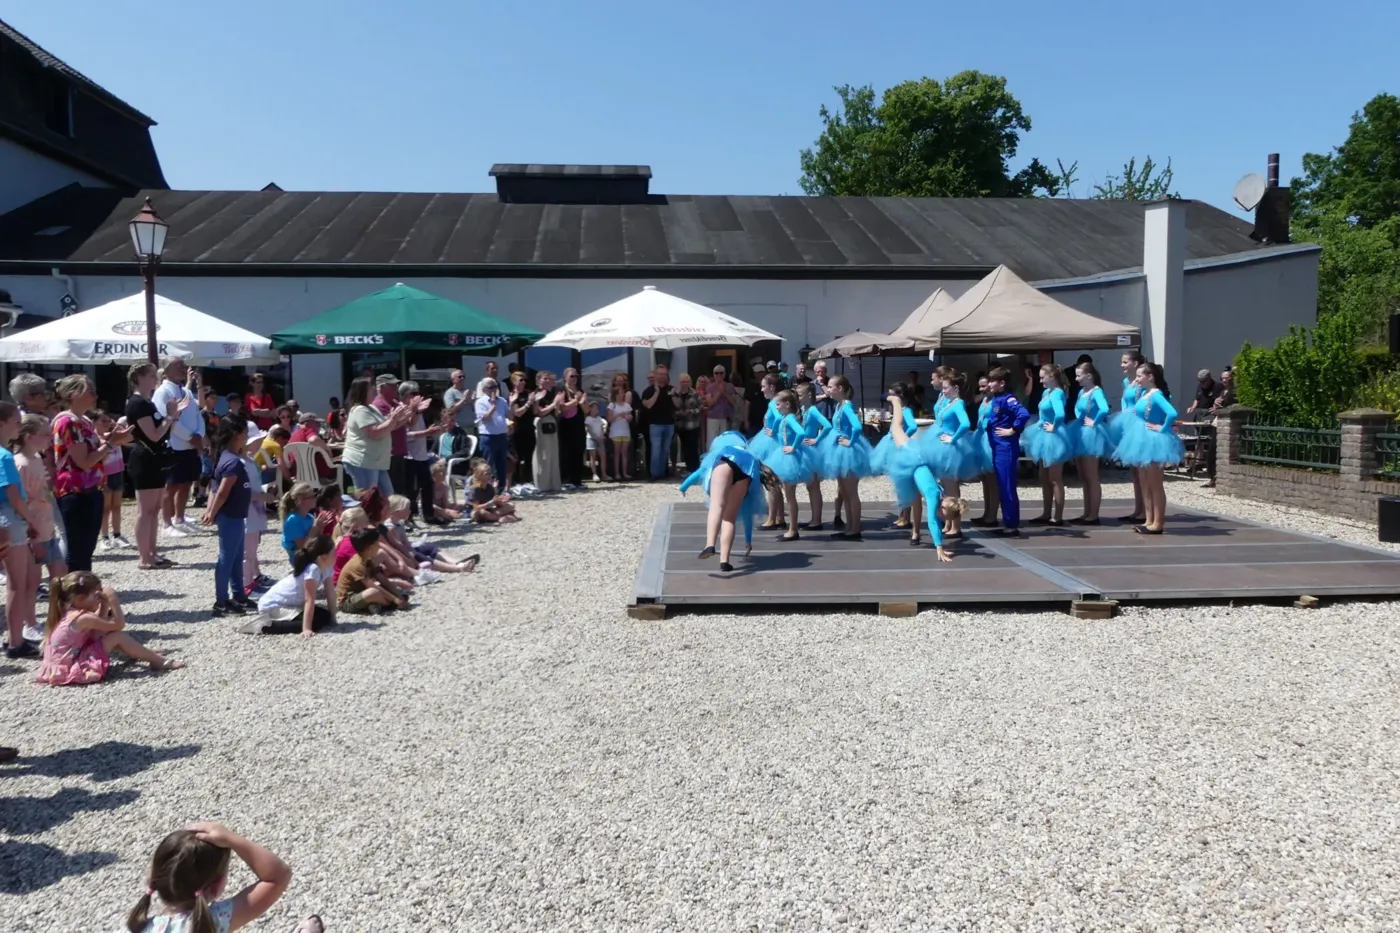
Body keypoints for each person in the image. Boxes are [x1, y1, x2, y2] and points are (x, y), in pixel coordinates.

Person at [125, 822, 305, 933]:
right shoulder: (216, 920)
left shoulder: (139, 927)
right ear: (217, 886)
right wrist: (231, 839)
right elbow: (278, 876)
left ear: (153, 878)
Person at [36, 571, 184, 682]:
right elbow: (119, 625)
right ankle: (158, 661)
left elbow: (96, 629)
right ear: (80, 598)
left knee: (106, 636)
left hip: (59, 666)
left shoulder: (71, 612)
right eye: (95, 596)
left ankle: (144, 653)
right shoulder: (83, 618)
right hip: (71, 668)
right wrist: (113, 599)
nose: (98, 598)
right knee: (118, 637)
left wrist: (104, 604)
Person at [53, 375, 128, 573]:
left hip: (91, 489)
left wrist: (115, 440)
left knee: (86, 549)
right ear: (74, 395)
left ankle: (84, 588)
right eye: (90, 391)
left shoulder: (84, 420)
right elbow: (84, 462)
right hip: (75, 491)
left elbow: (96, 453)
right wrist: (111, 443)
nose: (95, 395)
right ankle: (73, 588)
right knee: (77, 549)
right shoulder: (69, 422)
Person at [678, 431, 774, 572]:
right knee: (729, 518)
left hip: (726, 463)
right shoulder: (750, 455)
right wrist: (748, 539)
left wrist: (684, 486)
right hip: (746, 470)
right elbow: (748, 513)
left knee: (717, 506)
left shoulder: (721, 451)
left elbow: (699, 473)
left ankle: (710, 544)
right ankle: (724, 560)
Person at [885, 391, 956, 561]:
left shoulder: (942, 495)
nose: (941, 519)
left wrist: (940, 545)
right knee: (896, 427)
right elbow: (932, 521)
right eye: (944, 517)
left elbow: (935, 520)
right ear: (944, 509)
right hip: (911, 456)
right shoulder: (934, 496)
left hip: (919, 459)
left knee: (896, 429)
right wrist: (939, 547)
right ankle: (896, 401)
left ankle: (896, 404)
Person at [1114, 362, 1183, 534]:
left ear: (1150, 377)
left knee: (1155, 484)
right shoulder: (1146, 393)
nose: (1137, 379)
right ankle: (1149, 519)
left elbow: (1172, 413)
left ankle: (1158, 523)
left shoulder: (1156, 394)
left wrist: (1163, 427)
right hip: (1143, 437)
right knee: (1145, 482)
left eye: (1140, 376)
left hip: (1153, 440)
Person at [125, 362, 182, 564]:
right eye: (151, 375)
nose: (155, 379)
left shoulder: (147, 402)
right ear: (140, 378)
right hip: (144, 459)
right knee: (146, 510)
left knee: (155, 508)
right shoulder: (137, 403)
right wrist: (170, 416)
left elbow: (162, 432)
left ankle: (152, 552)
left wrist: (172, 417)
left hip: (155, 459)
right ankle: (144, 557)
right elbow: (154, 435)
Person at [1, 403, 45, 658]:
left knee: (15, 583)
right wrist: (31, 521)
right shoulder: (4, 457)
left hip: (5, 519)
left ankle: (14, 637)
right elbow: (13, 496)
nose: (19, 426)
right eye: (16, 422)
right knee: (17, 584)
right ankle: (15, 642)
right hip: (9, 518)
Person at [201, 417, 255, 616]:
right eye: (245, 434)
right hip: (230, 515)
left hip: (236, 515)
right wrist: (212, 512)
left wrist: (211, 510)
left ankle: (239, 595)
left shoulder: (227, 457)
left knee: (236, 558)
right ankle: (221, 601)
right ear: (236, 435)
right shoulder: (232, 462)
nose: (247, 438)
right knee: (227, 558)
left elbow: (215, 488)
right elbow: (222, 492)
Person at [152, 358, 205, 537]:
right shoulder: (162, 392)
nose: (183, 369)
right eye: (178, 366)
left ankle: (179, 518)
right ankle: (166, 523)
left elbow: (198, 415)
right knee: (172, 485)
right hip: (174, 445)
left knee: (186, 483)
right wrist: (190, 437)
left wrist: (199, 435)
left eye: (184, 366)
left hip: (190, 445)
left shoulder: (186, 391)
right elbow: (167, 420)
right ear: (166, 370)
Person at [341, 376, 418, 499]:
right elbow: (374, 433)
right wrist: (393, 419)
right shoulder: (360, 410)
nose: (374, 389)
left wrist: (409, 412)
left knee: (388, 497)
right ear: (363, 391)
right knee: (367, 499)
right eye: (370, 387)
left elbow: (391, 426)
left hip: (376, 462)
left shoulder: (371, 408)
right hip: (362, 462)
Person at [816, 375, 871, 540]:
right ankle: (849, 527)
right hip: (838, 449)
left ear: (839, 388)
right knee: (845, 492)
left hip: (848, 452)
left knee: (851, 492)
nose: (828, 390)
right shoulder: (839, 406)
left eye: (830, 387)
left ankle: (855, 529)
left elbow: (857, 427)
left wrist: (850, 442)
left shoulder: (846, 406)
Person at [252, 535, 338, 637]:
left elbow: (330, 593)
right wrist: (307, 629)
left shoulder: (326, 567)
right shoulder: (312, 569)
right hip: (273, 605)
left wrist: (333, 619)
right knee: (313, 624)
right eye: (333, 553)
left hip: (291, 604)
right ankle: (266, 626)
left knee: (325, 616)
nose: (336, 555)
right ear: (323, 557)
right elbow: (309, 599)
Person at [1022, 363, 1075, 527]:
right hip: (1042, 434)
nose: (1041, 380)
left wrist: (1054, 426)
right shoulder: (1047, 392)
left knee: (1054, 478)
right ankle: (1046, 513)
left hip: (1054, 437)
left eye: (1043, 377)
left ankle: (1057, 516)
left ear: (1052, 376)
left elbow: (1060, 414)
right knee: (1044, 477)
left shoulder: (1057, 393)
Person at [984, 366, 1032, 537]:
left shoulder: (1008, 399)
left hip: (1005, 448)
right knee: (1002, 485)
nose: (989, 384)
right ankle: (1007, 522)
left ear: (1002, 383)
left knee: (1007, 485)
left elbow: (1023, 414)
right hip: (998, 447)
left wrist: (1013, 430)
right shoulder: (997, 399)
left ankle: (1011, 525)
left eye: (992, 381)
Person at [764, 391, 812, 542]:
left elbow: (801, 433)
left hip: (789, 458)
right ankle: (791, 527)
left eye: (778, 404)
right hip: (783, 455)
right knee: (788, 494)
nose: (776, 407)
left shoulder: (790, 418)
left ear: (787, 404)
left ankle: (793, 529)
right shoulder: (785, 418)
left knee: (790, 496)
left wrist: (793, 447)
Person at [1070, 362, 1112, 525]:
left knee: (1091, 476)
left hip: (1091, 434)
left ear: (1089, 375)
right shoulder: (1082, 392)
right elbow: (1076, 408)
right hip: (1080, 430)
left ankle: (1093, 514)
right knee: (1083, 476)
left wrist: (1094, 422)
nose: (1076, 379)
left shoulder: (1097, 391)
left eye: (1079, 375)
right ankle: (1086, 512)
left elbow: (1104, 409)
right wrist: (1079, 417)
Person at [396, 380, 443, 525]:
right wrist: (426, 432)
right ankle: (408, 517)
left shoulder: (417, 410)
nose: (418, 396)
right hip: (409, 456)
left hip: (421, 454)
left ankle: (428, 515)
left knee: (427, 485)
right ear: (405, 395)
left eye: (418, 393)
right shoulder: (401, 409)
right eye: (413, 394)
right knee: (410, 490)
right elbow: (406, 435)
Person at [336, 527, 408, 613]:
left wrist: (398, 595)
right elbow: (371, 586)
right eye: (377, 543)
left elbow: (381, 578)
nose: (379, 545)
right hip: (347, 601)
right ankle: (391, 605)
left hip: (361, 592)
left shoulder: (367, 559)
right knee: (373, 592)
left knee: (385, 586)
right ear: (370, 548)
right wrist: (395, 599)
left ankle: (374, 605)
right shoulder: (357, 564)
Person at [240, 422, 275, 597]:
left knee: (252, 550)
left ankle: (251, 581)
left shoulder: (250, 461)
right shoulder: (242, 463)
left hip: (254, 511)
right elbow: (242, 491)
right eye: (257, 440)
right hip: (247, 512)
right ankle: (245, 587)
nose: (260, 443)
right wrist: (263, 496)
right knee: (246, 552)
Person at [746, 374, 784, 530]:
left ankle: (772, 519)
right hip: (770, 441)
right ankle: (779, 518)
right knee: (774, 482)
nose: (761, 390)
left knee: (771, 482)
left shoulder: (774, 403)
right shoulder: (775, 402)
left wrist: (773, 430)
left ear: (772, 387)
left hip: (770, 443)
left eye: (763, 386)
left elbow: (779, 418)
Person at [795, 379, 830, 530]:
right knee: (810, 486)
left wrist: (816, 439)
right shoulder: (804, 409)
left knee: (814, 486)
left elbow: (827, 426)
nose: (798, 398)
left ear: (809, 394)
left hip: (811, 451)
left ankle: (817, 520)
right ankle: (814, 518)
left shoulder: (813, 410)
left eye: (800, 395)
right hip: (804, 449)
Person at [94, 411, 131, 550]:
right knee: (105, 508)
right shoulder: (95, 438)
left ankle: (117, 535)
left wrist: (117, 426)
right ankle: (104, 537)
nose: (106, 423)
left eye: (108, 420)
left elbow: (129, 437)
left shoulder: (114, 435)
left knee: (117, 506)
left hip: (118, 472)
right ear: (94, 422)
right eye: (103, 421)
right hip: (104, 475)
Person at [369, 374, 410, 493]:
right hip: (389, 454)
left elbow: (406, 421)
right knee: (390, 491)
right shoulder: (378, 405)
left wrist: (412, 411)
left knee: (400, 489)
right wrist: (405, 415)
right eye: (392, 385)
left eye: (396, 385)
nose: (396, 388)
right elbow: (389, 427)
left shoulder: (394, 402)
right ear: (381, 387)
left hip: (398, 452)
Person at [474, 377, 510, 497]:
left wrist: (512, 403)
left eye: (495, 387)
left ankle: (500, 491)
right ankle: (487, 491)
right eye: (491, 387)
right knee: (488, 465)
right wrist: (493, 406)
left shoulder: (502, 401)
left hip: (501, 436)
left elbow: (508, 415)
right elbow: (485, 418)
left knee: (501, 465)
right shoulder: (480, 402)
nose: (494, 390)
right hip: (488, 437)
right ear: (484, 389)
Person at [641, 365, 677, 481]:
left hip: (669, 424)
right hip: (655, 424)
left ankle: (662, 473)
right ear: (656, 375)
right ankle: (654, 474)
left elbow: (678, 405)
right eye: (660, 374)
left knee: (665, 450)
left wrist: (674, 395)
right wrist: (656, 392)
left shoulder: (671, 389)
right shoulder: (649, 391)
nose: (662, 376)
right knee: (656, 450)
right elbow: (648, 405)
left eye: (664, 374)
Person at [558, 367, 589, 490]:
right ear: (565, 377)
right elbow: (563, 408)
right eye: (572, 376)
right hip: (565, 425)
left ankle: (577, 480)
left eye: (576, 376)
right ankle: (566, 480)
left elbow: (586, 410)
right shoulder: (561, 390)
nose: (574, 378)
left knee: (579, 451)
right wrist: (576, 400)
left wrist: (582, 402)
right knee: (566, 452)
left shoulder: (580, 391)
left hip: (578, 424)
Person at [506, 371, 535, 485]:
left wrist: (535, 401)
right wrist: (529, 403)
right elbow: (517, 413)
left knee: (529, 457)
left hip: (529, 428)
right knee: (517, 457)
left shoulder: (528, 393)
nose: (523, 382)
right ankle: (516, 482)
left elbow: (535, 411)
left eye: (524, 380)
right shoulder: (513, 395)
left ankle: (528, 481)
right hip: (517, 430)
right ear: (514, 382)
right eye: (520, 380)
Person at [280, 482, 317, 565]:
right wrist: (315, 528)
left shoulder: (309, 517)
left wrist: (321, 526)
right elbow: (302, 547)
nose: (315, 498)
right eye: (311, 497)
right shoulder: (293, 520)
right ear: (301, 500)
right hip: (299, 559)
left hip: (311, 553)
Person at [673, 372, 703, 473]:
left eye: (686, 381)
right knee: (685, 448)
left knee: (693, 447)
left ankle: (694, 469)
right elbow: (672, 408)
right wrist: (678, 413)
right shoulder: (675, 394)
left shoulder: (695, 393)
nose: (684, 383)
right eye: (682, 382)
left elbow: (701, 407)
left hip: (693, 425)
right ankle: (688, 468)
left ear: (689, 382)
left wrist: (691, 411)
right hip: (681, 426)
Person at [605, 383, 634, 481]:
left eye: (622, 392)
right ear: (615, 395)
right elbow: (609, 419)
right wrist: (618, 415)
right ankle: (617, 473)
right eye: (620, 393)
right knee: (617, 453)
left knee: (624, 453)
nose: (622, 394)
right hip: (616, 432)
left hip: (625, 431)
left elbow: (630, 417)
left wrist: (629, 417)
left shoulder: (627, 405)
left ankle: (625, 472)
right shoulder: (612, 405)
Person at [703, 366, 736, 446]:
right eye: (716, 373)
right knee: (712, 441)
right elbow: (709, 403)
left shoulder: (730, 386)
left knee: (725, 442)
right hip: (713, 418)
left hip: (726, 418)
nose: (719, 375)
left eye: (721, 373)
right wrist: (718, 393)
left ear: (724, 374)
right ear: (713, 374)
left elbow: (734, 402)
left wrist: (724, 393)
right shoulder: (709, 387)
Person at [584, 401, 609, 482]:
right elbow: (588, 429)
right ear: (590, 409)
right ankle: (594, 474)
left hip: (600, 439)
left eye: (597, 409)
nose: (596, 410)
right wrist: (595, 437)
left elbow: (604, 427)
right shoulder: (588, 419)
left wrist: (602, 435)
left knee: (603, 456)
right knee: (593, 457)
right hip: (591, 439)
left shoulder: (600, 419)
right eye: (594, 408)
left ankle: (604, 474)